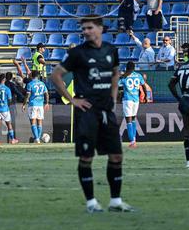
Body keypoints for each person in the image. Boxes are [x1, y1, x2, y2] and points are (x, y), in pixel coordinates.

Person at [50, 16, 133, 213]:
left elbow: (115, 73)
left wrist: (113, 99)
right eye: (83, 28)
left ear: (100, 29)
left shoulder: (110, 50)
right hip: (86, 111)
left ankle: (115, 201)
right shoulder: (77, 53)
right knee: (86, 157)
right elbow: (56, 75)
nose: (86, 31)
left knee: (116, 155)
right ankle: (91, 203)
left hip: (106, 110)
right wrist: (72, 100)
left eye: (89, 28)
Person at [119, 61, 145, 148]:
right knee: (133, 119)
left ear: (127, 67)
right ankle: (134, 140)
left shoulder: (124, 76)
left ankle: (132, 141)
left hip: (128, 99)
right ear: (134, 68)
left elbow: (118, 85)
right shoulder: (138, 75)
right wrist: (144, 96)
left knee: (128, 120)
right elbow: (144, 85)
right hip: (136, 100)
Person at [0, 73, 18, 145]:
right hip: (5, 109)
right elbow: (10, 100)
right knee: (9, 124)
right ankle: (12, 139)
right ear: (4, 79)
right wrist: (6, 105)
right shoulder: (7, 89)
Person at [24, 70, 49, 143]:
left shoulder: (30, 84)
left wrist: (24, 104)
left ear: (32, 76)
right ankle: (37, 138)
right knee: (40, 122)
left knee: (33, 122)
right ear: (38, 76)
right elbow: (46, 94)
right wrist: (47, 103)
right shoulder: (42, 84)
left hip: (33, 104)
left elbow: (27, 95)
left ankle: (37, 139)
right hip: (40, 105)